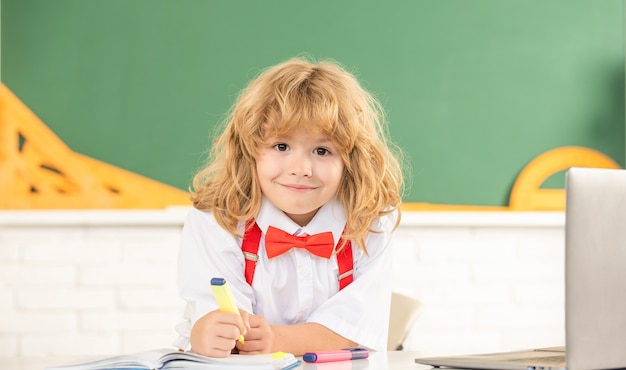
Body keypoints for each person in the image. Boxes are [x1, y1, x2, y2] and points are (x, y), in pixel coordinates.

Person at [174, 56, 405, 358]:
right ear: (250, 149)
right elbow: (229, 334)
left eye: (322, 150)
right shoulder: (217, 220)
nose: (301, 169)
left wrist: (275, 341)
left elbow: (355, 329)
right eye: (281, 146)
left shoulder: (370, 223)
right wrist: (207, 334)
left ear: (352, 160)